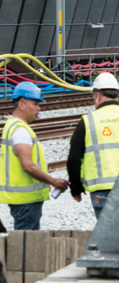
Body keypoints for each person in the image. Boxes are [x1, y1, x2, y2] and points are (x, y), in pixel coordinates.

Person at [0, 82, 68, 230]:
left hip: (22, 199)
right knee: (26, 244)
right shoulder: (20, 130)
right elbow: (28, 165)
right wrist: (52, 181)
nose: (39, 108)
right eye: (35, 103)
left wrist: (44, 182)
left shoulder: (12, 126)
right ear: (21, 104)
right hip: (26, 200)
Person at [67, 72, 119, 219]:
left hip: (102, 192)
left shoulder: (88, 121)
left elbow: (74, 159)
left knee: (106, 238)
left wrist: (75, 188)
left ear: (98, 95)